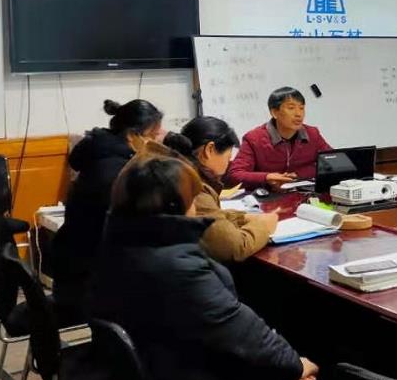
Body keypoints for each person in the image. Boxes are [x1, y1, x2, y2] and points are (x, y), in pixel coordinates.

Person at [90, 154, 320, 380]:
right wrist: (296, 366)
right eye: (193, 199)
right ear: (175, 207)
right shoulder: (177, 268)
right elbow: (242, 335)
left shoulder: (118, 246)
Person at [52, 99, 164, 319]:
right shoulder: (116, 172)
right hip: (87, 284)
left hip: (73, 270)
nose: (155, 144)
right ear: (132, 135)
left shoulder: (99, 153)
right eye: (152, 136)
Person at [164, 117, 280, 263]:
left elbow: (208, 213)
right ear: (209, 150)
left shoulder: (175, 169)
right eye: (228, 156)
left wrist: (242, 218)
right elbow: (233, 248)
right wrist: (264, 226)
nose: (228, 163)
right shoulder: (194, 186)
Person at [226, 86, 332, 190]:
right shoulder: (254, 139)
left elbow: (332, 161)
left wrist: (299, 174)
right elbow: (236, 174)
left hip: (302, 193)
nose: (298, 114)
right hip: (265, 195)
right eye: (291, 108)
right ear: (274, 112)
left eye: (301, 108)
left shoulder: (312, 134)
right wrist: (267, 177)